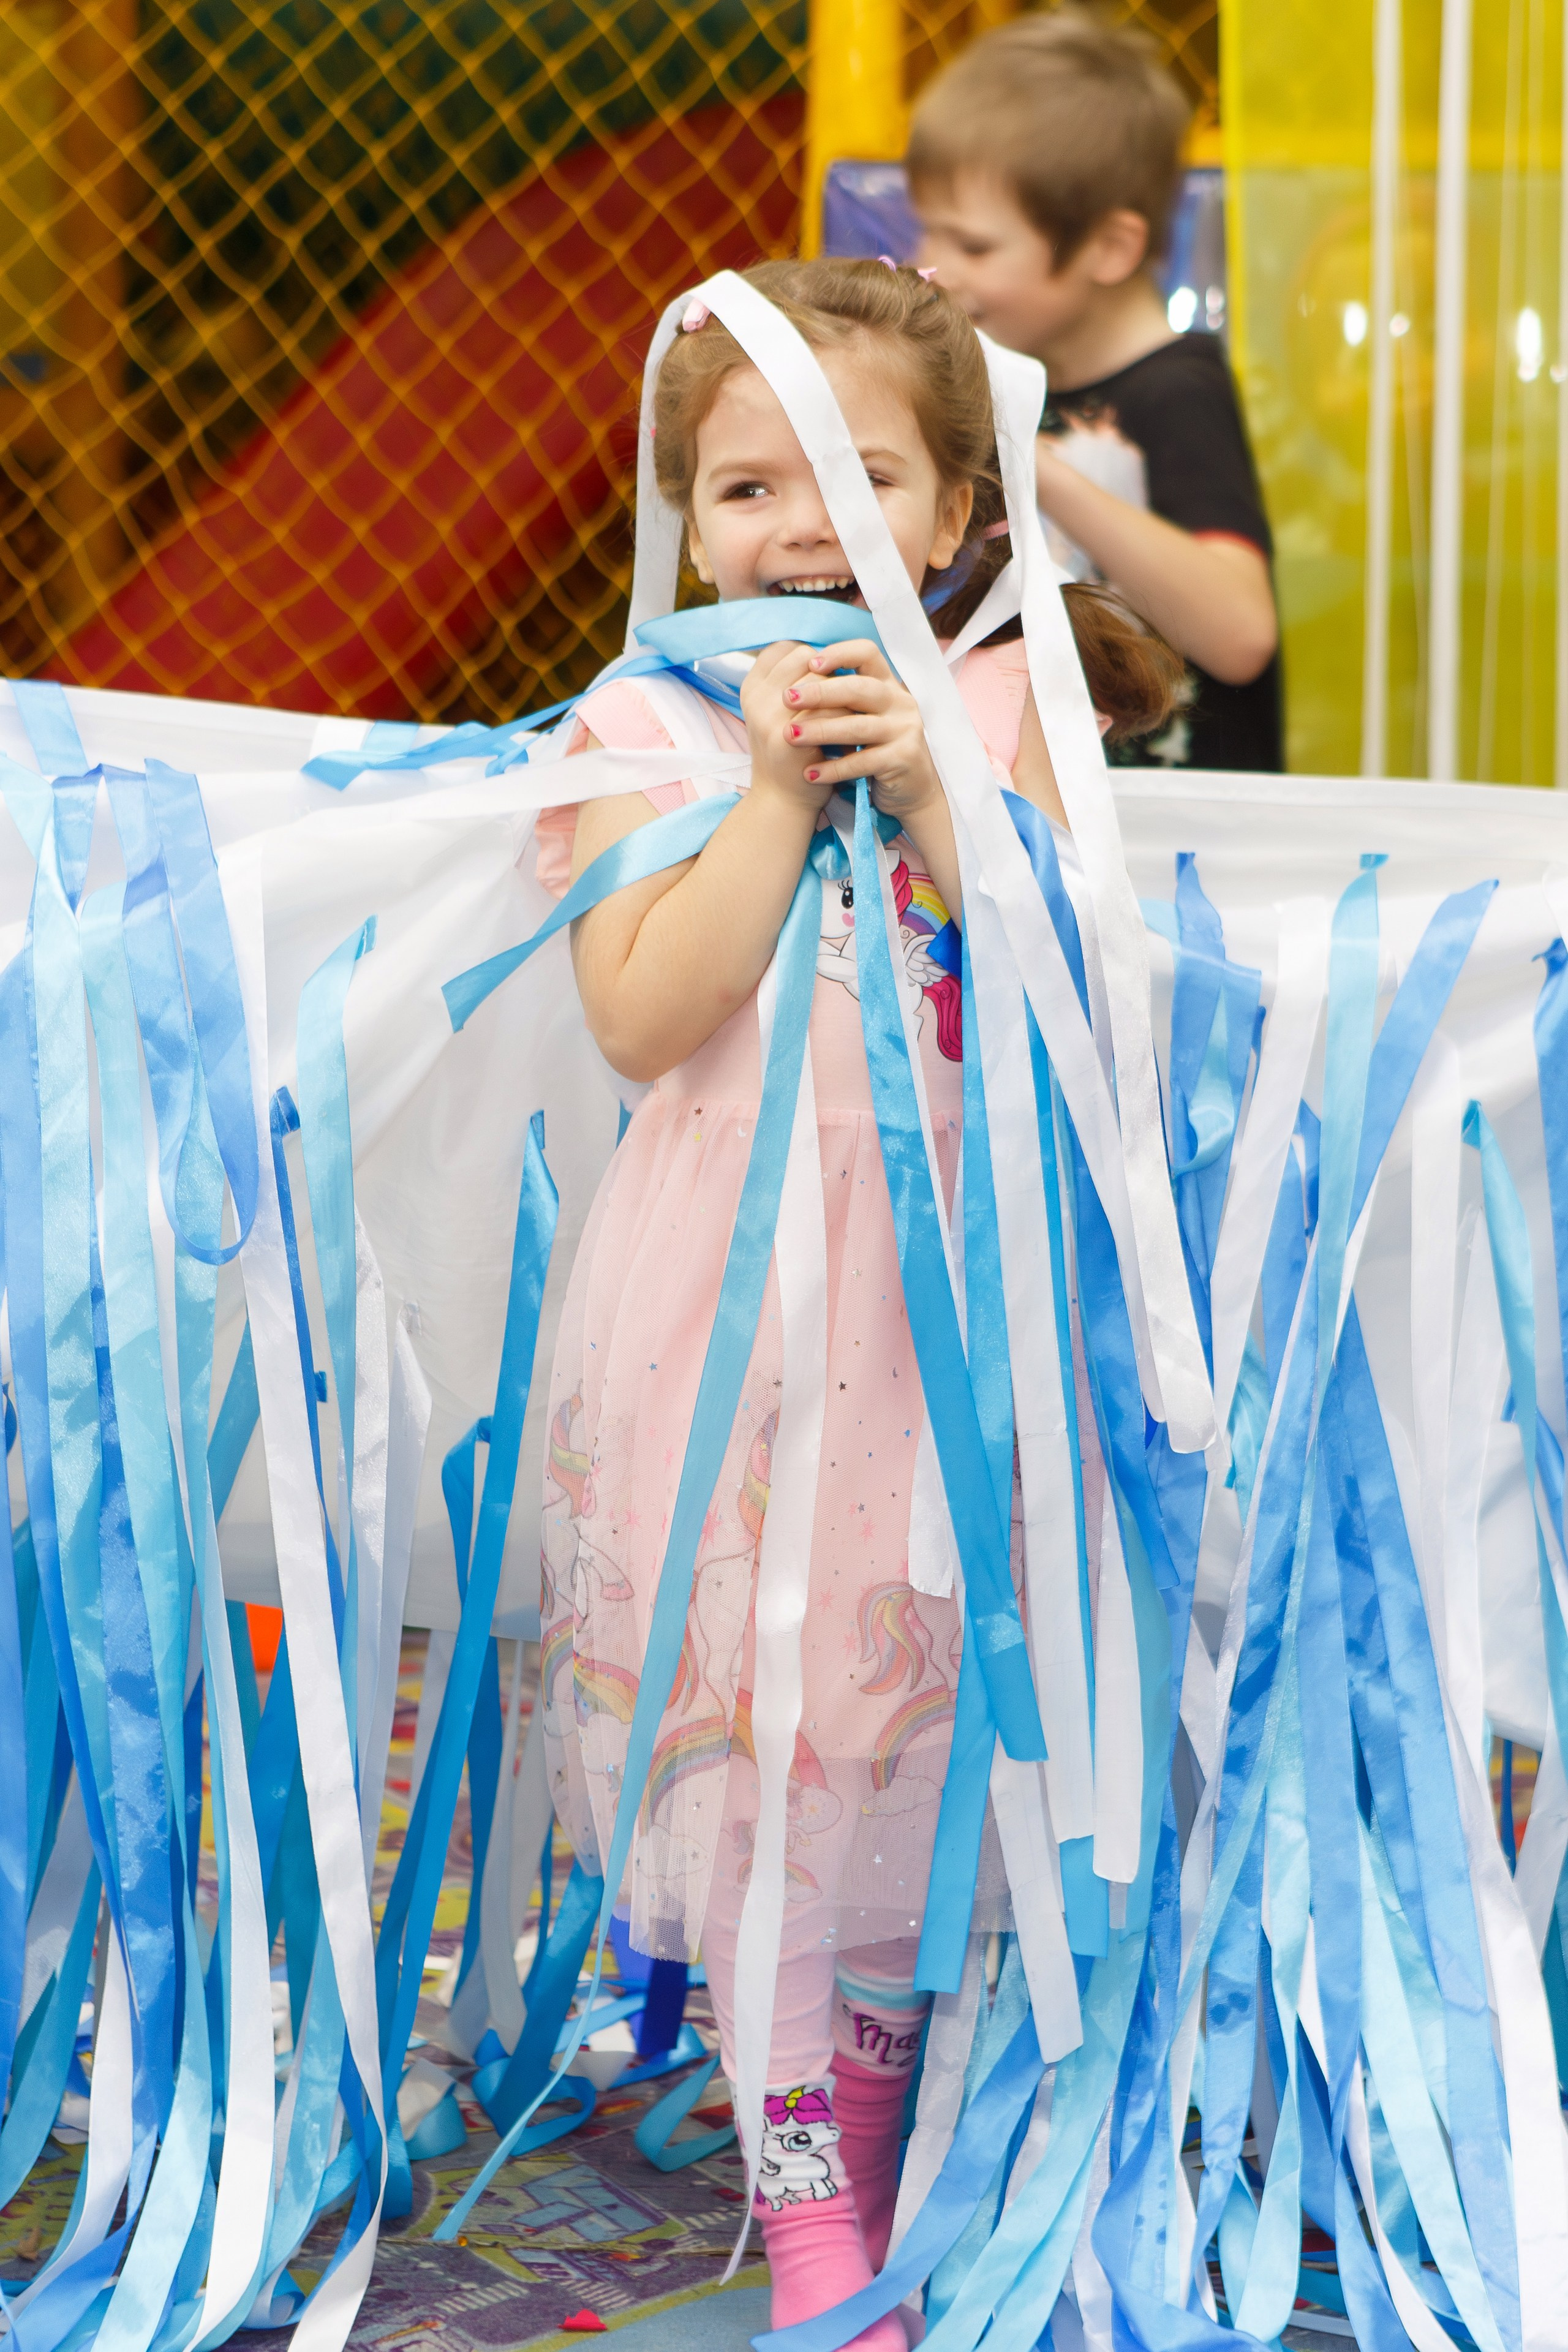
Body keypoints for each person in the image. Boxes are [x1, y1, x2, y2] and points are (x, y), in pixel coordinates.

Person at [533, 257, 1182, 2350]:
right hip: (720, 1309)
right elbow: (645, 1013)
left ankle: (878, 2104)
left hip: (954, 1317)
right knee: (754, 1721)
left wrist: (933, 787)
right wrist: (773, 795)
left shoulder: (1010, 706)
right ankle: (796, 2167)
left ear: (956, 506)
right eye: (748, 486)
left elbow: (1097, 992)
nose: (804, 520)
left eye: (860, 469)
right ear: (684, 522)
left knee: (912, 1719)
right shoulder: (634, 719)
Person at [907, 7, 1283, 772]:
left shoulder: (1177, 394)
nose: (933, 264)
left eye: (973, 243)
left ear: (1109, 248)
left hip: (1178, 844)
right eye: (929, 232)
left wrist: (1027, 457)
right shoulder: (1022, 377)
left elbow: (1241, 634)